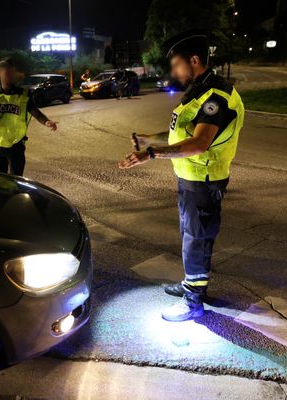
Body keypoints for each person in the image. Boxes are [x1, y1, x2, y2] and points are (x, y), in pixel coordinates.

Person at [118, 33, 245, 322]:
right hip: (191, 179)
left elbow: (199, 143)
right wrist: (151, 137)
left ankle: (193, 303)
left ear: (194, 61)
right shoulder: (200, 90)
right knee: (194, 237)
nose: (174, 72)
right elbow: (184, 133)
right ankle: (192, 284)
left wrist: (150, 154)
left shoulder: (216, 96)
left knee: (196, 239)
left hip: (203, 180)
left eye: (177, 65)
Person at [0, 57, 57, 176]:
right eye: (7, 73)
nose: (10, 76)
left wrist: (47, 122)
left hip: (15, 147)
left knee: (16, 183)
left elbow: (36, 112)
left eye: (12, 73)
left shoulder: (23, 95)